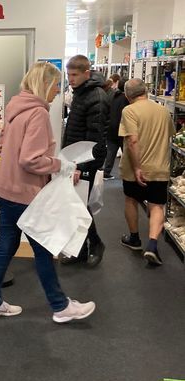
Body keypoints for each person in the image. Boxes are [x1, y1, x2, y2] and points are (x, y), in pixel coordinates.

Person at [0, 61, 96, 324]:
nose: (58, 91)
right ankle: (60, 306)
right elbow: (30, 159)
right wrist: (60, 165)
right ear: (45, 85)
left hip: (5, 189)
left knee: (6, 245)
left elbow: (1, 148)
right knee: (44, 248)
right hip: (25, 194)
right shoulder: (38, 114)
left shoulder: (14, 107)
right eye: (57, 85)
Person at [118, 78, 174, 266]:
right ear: (146, 91)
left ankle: (134, 239)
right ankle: (152, 244)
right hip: (159, 167)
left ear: (127, 95)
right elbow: (170, 135)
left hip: (135, 167)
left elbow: (132, 141)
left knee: (131, 200)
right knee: (157, 205)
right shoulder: (163, 110)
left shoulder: (129, 110)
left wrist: (137, 167)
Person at [61, 54, 110, 268]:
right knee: (75, 206)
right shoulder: (81, 93)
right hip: (75, 158)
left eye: (74, 75)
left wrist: (81, 166)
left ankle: (96, 244)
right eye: (68, 74)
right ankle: (79, 250)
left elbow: (94, 137)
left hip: (86, 161)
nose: (70, 79)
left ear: (86, 74)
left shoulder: (96, 97)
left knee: (80, 206)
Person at [103, 78, 129, 180]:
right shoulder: (127, 100)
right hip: (122, 128)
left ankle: (106, 172)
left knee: (111, 152)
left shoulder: (113, 95)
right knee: (127, 153)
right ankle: (127, 174)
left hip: (111, 127)